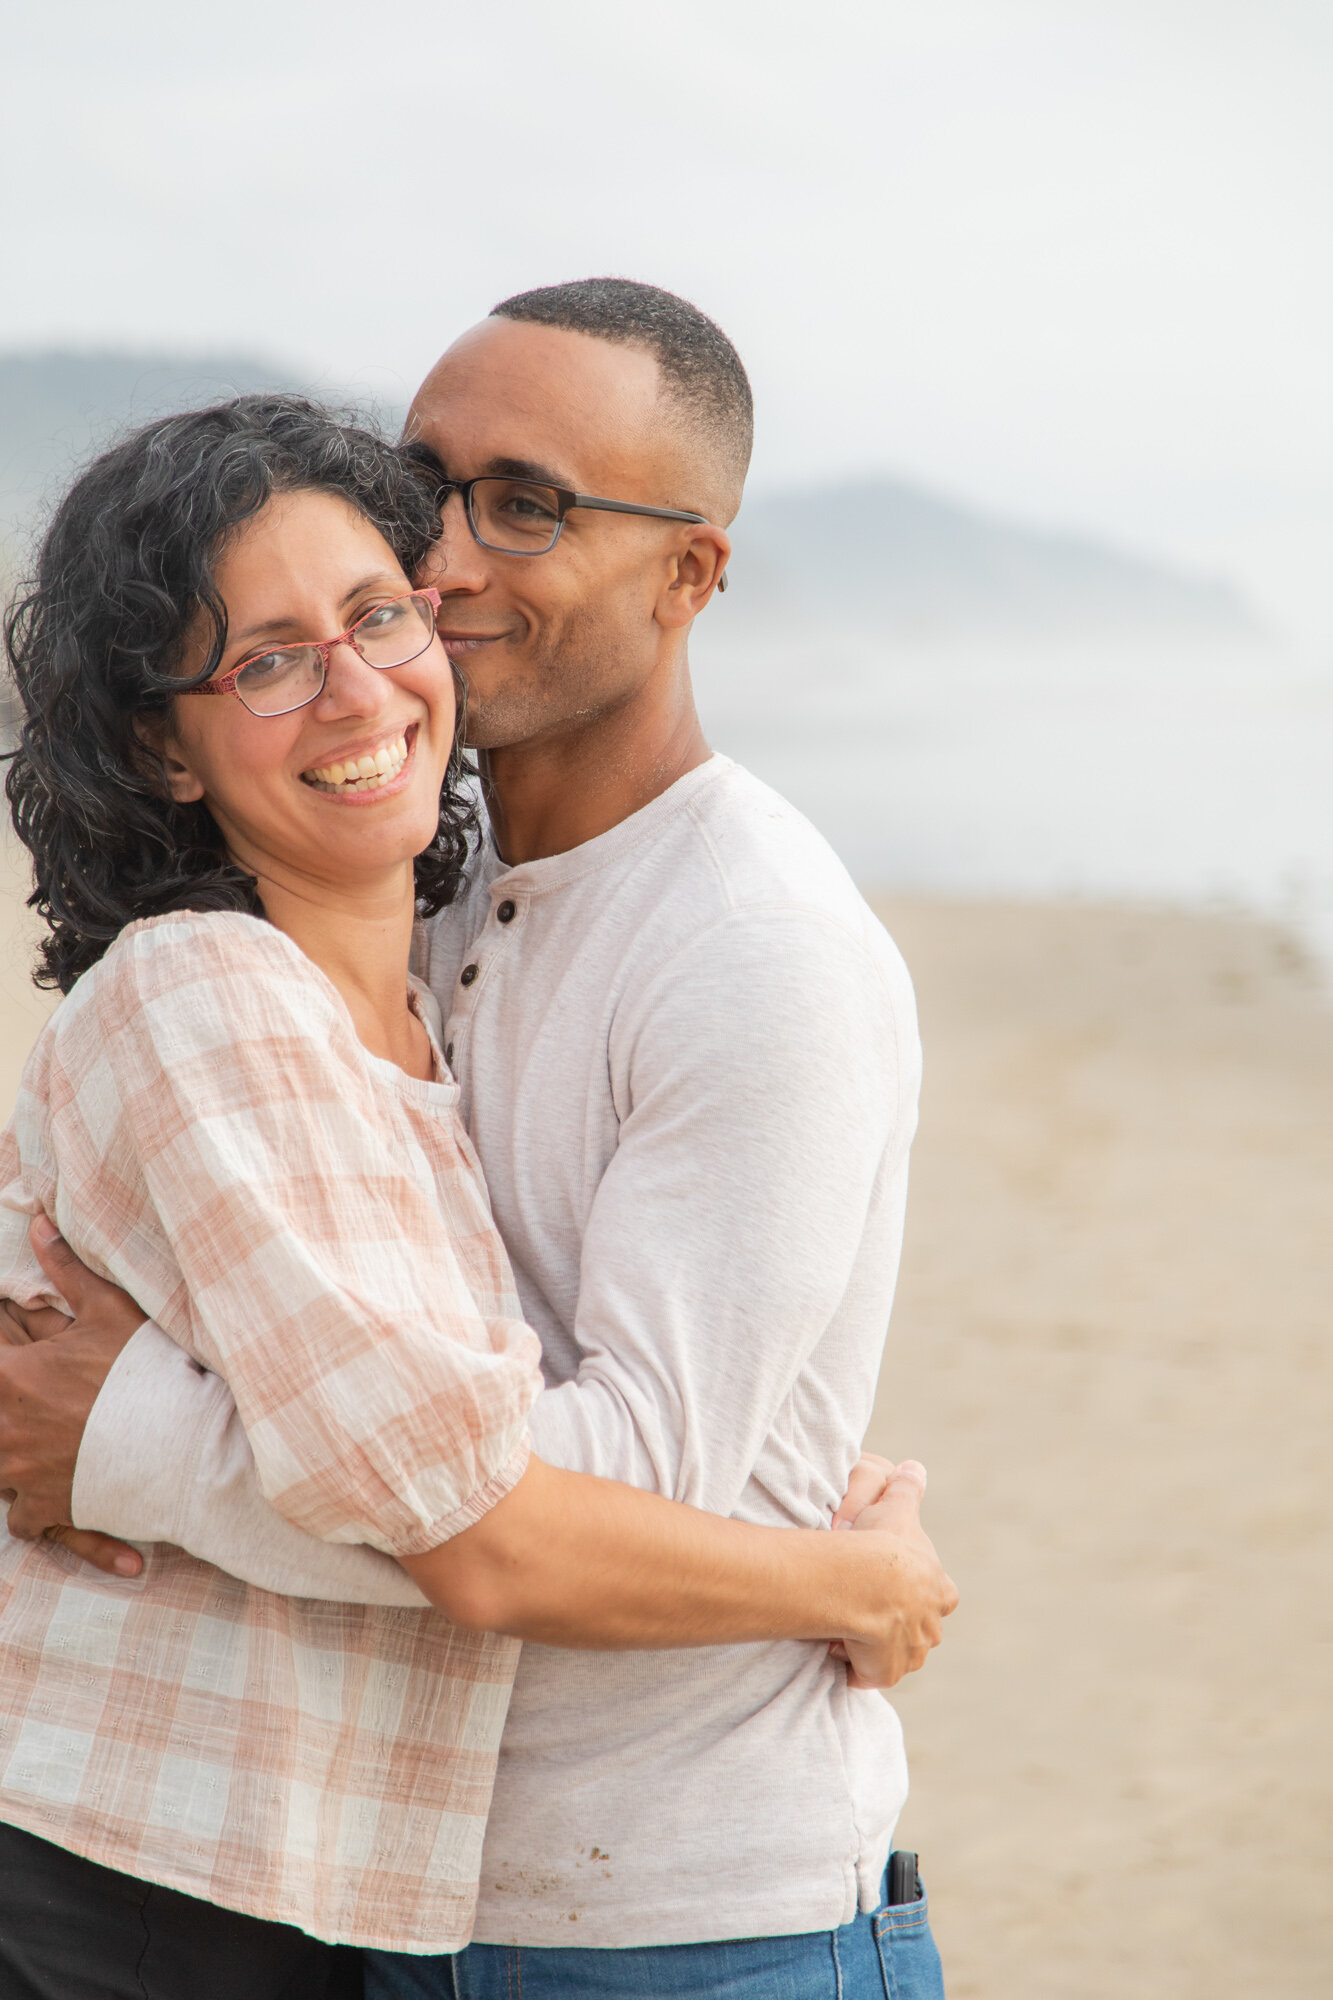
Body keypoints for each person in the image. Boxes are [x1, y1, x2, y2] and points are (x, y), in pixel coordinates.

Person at [0, 387, 954, 2000]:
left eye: (378, 614)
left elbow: (469, 1457)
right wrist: (838, 1581)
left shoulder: (460, 968)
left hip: (339, 1890)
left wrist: (130, 1439)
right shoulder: (216, 992)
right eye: (267, 660)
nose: (357, 685)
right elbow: (466, 1518)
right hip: (141, 1876)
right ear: (163, 743)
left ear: (689, 571)